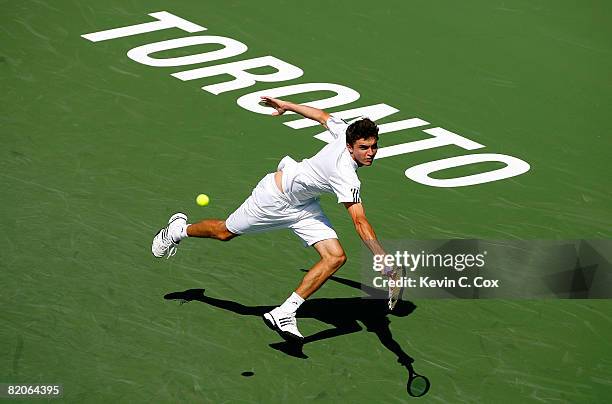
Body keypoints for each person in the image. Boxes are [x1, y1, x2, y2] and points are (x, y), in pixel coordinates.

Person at [152, 96, 393, 343]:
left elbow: (322, 116)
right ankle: (178, 230)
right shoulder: (346, 176)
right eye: (364, 148)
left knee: (335, 257)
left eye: (374, 146)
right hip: (273, 199)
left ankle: (285, 312)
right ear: (350, 146)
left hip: (304, 206)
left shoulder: (347, 132)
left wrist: (287, 106)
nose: (370, 153)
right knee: (224, 232)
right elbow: (360, 221)